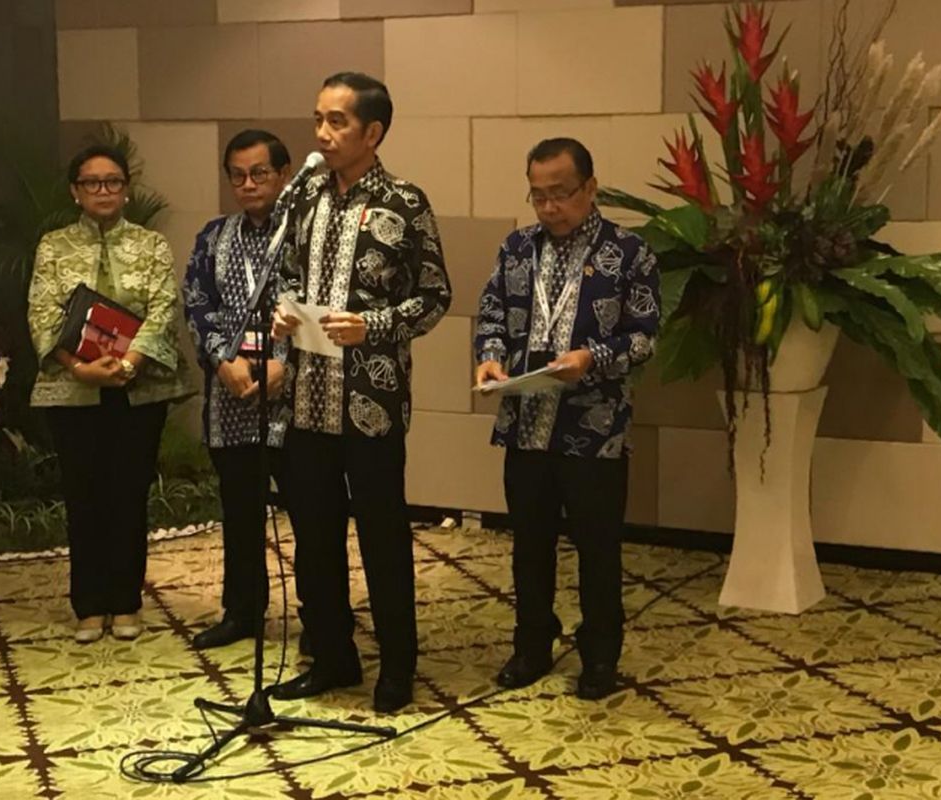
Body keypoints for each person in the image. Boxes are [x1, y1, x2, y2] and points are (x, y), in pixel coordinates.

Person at [271, 72, 451, 713]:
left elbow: (435, 298)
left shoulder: (405, 201)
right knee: (314, 537)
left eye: (338, 122)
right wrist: (283, 312)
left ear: (373, 132)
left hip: (370, 403)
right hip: (306, 398)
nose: (322, 133)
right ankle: (333, 656)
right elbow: (283, 277)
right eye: (318, 118)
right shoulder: (304, 199)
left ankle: (397, 666)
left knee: (381, 535)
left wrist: (371, 324)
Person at [473, 138, 659, 700]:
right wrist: (488, 355)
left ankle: (600, 655)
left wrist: (593, 358)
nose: (549, 207)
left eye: (561, 193)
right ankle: (533, 643)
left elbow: (646, 336)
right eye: (538, 195)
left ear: (590, 188)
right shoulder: (517, 248)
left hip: (594, 428)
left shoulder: (629, 253)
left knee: (598, 547)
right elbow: (490, 315)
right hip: (526, 421)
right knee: (529, 543)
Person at [27, 144, 196, 644]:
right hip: (72, 390)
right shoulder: (52, 247)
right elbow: (41, 314)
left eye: (113, 182)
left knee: (128, 494)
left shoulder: (150, 246)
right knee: (84, 497)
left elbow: (164, 308)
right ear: (75, 192)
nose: (104, 191)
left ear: (126, 190)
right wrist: (80, 368)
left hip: (137, 390)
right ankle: (88, 604)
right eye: (92, 183)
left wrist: (127, 363)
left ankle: (125, 602)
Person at [183, 129, 294, 650]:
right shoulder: (213, 236)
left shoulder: (303, 234)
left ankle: (318, 617)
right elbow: (197, 302)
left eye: (259, 173)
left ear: (284, 174)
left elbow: (317, 307)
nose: (248, 185)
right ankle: (242, 611)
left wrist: (284, 364)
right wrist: (221, 358)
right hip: (231, 395)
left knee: (311, 514)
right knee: (241, 512)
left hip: (295, 399)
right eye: (238, 176)